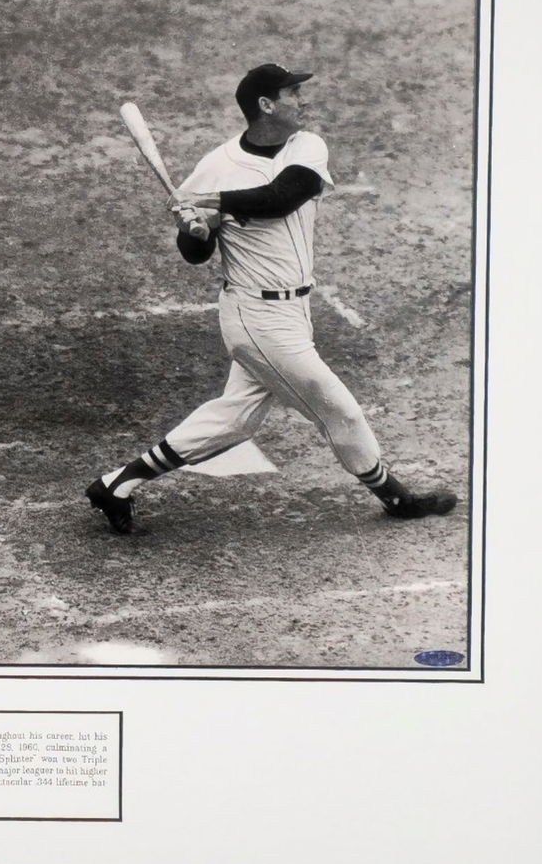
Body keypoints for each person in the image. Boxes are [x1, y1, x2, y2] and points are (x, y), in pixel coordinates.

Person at [86, 63, 457, 534]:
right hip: (256, 317)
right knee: (338, 409)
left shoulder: (306, 146)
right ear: (266, 105)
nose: (303, 100)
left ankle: (116, 484)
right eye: (293, 93)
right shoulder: (215, 166)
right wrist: (194, 229)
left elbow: (282, 196)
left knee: (235, 417)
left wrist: (209, 202)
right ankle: (397, 499)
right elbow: (195, 255)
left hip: (293, 311)